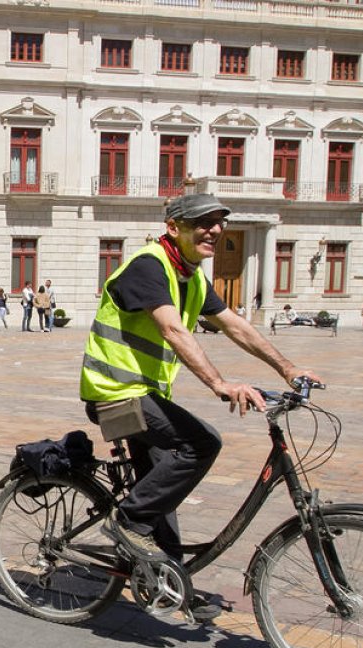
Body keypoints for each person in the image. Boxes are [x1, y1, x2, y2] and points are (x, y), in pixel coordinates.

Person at [81, 194, 318, 617]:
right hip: (112, 394)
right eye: (202, 223)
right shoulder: (149, 266)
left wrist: (288, 368)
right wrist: (219, 384)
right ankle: (126, 521)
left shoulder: (190, 277)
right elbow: (173, 330)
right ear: (174, 228)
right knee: (201, 443)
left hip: (144, 396)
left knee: (161, 489)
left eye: (218, 222)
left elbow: (235, 326)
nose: (215, 230)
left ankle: (169, 584)